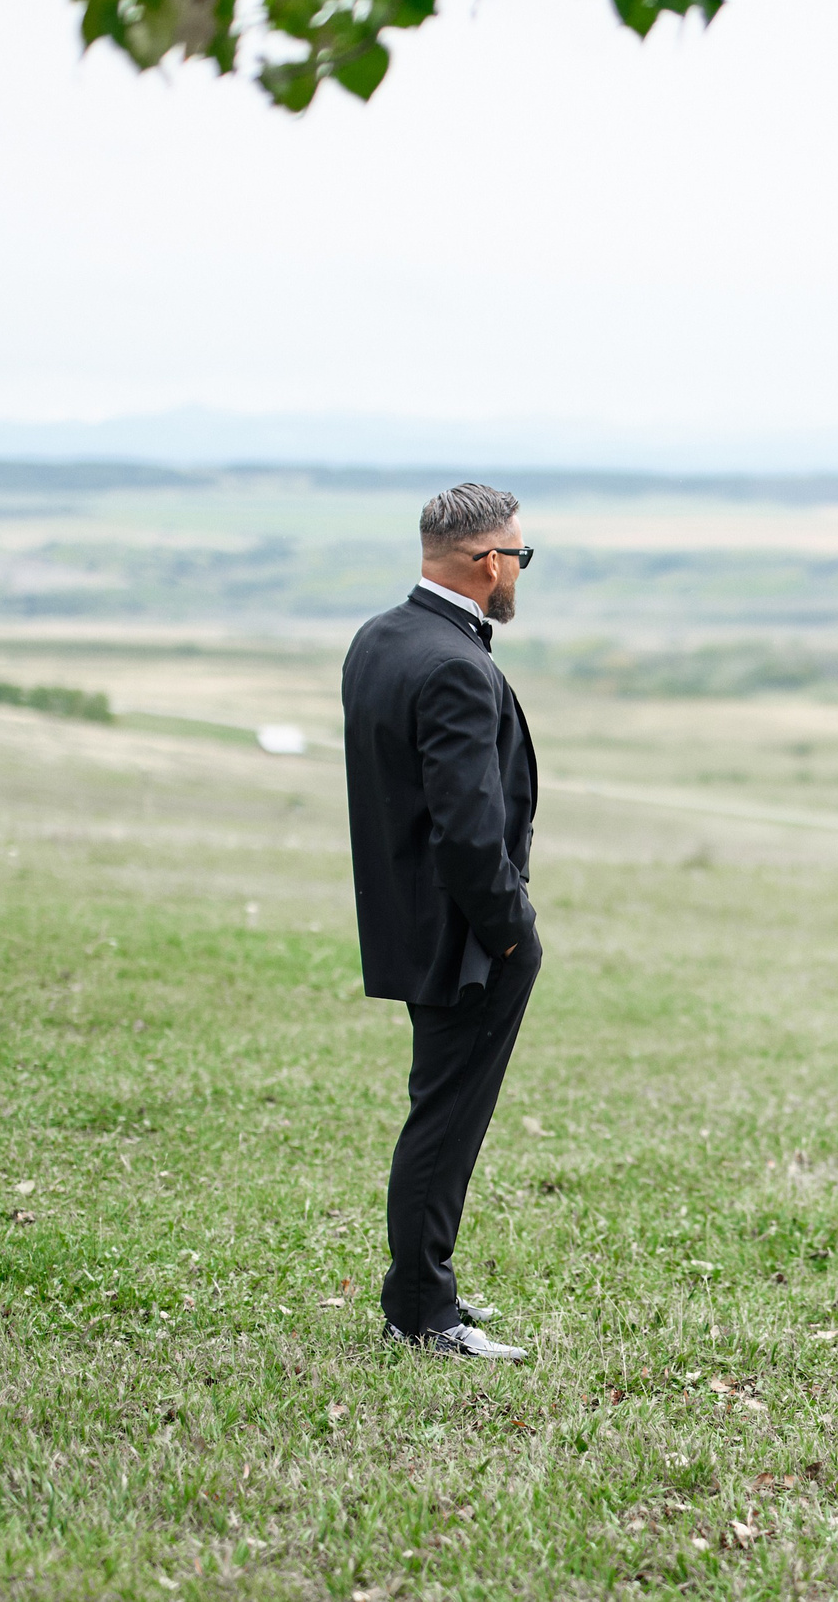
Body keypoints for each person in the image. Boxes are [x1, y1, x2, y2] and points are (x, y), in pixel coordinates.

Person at [340, 482, 540, 1361]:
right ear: (489, 562)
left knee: (441, 1108)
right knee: (447, 1118)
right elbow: (468, 831)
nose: (520, 571)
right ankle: (422, 1309)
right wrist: (512, 931)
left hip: (406, 919)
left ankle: (425, 1286)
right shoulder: (456, 664)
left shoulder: (380, 638)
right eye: (520, 556)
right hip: (466, 940)